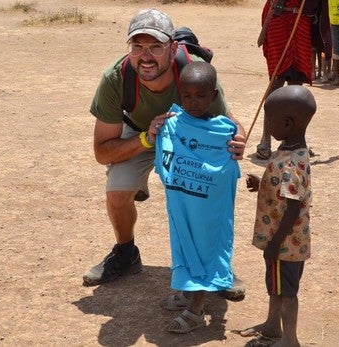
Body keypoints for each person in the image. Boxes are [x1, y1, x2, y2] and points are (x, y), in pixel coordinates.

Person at [83, 9, 248, 302]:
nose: (145, 56)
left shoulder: (193, 72)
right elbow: (102, 152)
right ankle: (125, 252)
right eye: (137, 47)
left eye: (155, 47)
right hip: (140, 135)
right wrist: (148, 137)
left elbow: (227, 120)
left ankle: (217, 267)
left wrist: (237, 137)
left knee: (207, 195)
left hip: (188, 138)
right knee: (117, 193)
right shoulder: (115, 79)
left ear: (172, 49)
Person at [153, 61, 241, 333]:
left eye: (201, 96)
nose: (193, 102)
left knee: (205, 247)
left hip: (209, 208)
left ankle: (196, 309)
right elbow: (163, 159)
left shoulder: (222, 132)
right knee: (184, 244)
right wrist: (153, 131)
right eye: (187, 96)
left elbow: (229, 169)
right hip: (182, 205)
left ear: (213, 96)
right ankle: (189, 293)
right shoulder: (171, 124)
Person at [240, 85, 315, 347]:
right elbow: (286, 190)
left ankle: (290, 340)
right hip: (284, 241)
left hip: (284, 243)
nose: (267, 124)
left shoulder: (291, 163)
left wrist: (275, 244)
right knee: (277, 285)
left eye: (269, 119)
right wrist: (262, 182)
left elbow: (293, 207)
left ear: (287, 122)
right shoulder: (291, 150)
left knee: (287, 292)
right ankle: (273, 326)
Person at [255, 0, 316, 160]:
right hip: (279, 23)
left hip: (300, 25)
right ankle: (265, 141)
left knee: (296, 90)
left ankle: (294, 142)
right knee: (276, 84)